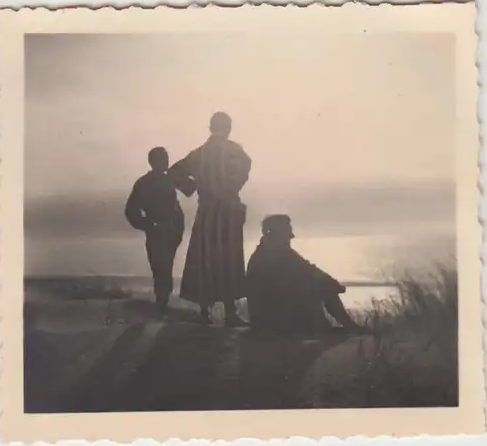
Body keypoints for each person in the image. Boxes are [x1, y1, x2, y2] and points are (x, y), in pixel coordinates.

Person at [168, 112, 251, 326]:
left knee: (204, 259)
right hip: (228, 212)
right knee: (228, 260)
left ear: (210, 127)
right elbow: (243, 171)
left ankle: (204, 312)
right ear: (229, 127)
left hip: (206, 212)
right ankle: (230, 313)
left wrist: (192, 187)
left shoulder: (199, 153)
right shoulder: (236, 151)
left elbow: (174, 172)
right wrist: (230, 189)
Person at [245, 214, 367, 335]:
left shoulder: (273, 249)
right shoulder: (272, 252)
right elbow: (305, 271)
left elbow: (307, 268)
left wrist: (330, 283)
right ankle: (344, 326)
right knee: (317, 287)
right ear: (278, 232)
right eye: (288, 231)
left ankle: (339, 325)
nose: (291, 235)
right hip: (269, 316)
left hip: (271, 310)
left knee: (318, 285)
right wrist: (332, 285)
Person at [125, 147, 184, 317]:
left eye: (166, 159)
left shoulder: (170, 179)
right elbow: (131, 210)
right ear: (153, 162)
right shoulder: (144, 183)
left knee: (164, 268)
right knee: (160, 269)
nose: (165, 163)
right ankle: (162, 306)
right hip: (157, 232)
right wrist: (148, 225)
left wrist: (178, 227)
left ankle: (162, 306)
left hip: (170, 232)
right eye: (162, 160)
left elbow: (188, 191)